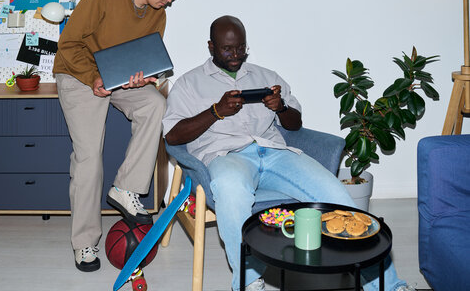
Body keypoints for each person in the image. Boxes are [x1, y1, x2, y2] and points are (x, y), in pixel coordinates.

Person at [162, 15, 415, 291]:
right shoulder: (188, 84)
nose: (235, 55)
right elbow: (173, 136)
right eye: (227, 49)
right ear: (211, 47)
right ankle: (247, 281)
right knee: (231, 191)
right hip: (227, 156)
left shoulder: (266, 75)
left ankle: (389, 285)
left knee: (339, 198)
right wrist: (215, 112)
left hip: (276, 153)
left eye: (241, 48)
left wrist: (280, 107)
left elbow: (295, 125)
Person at [53, 0, 187, 272]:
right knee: (88, 158)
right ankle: (85, 243)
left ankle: (126, 187)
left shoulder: (158, 15)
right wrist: (93, 78)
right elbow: (68, 46)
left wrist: (142, 78)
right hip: (78, 75)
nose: (169, 0)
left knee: (155, 103)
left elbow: (140, 57)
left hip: (118, 78)